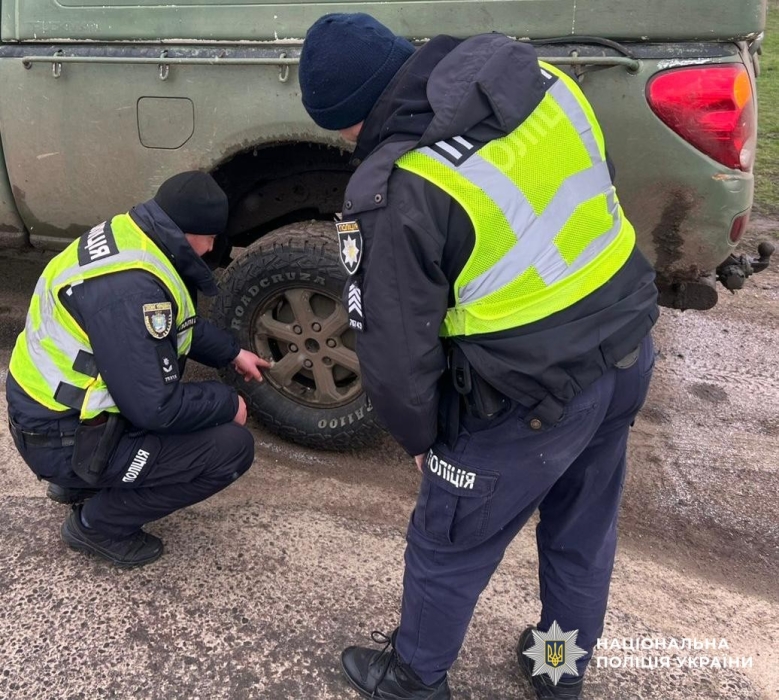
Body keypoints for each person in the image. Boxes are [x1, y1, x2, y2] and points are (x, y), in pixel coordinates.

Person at [299, 14, 658, 700]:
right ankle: (558, 672)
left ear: (352, 118)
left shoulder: (401, 186)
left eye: (339, 129)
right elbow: (592, 187)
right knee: (581, 536)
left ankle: (414, 677)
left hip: (526, 399)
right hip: (624, 347)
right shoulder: (539, 80)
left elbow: (394, 349)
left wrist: (420, 438)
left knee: (447, 544)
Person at [6, 171, 270, 568]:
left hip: (48, 414)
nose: (213, 246)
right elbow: (155, 408)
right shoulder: (131, 292)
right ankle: (96, 524)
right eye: (211, 237)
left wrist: (232, 353)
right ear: (189, 231)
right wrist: (226, 401)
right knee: (230, 449)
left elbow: (170, 321)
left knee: (173, 407)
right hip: (59, 436)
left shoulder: (134, 237)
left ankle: (76, 483)